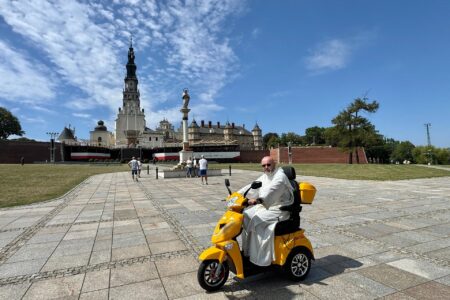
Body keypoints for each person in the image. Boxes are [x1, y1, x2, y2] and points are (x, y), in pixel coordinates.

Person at [239, 156, 294, 267]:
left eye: (268, 164)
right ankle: (248, 250)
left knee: (256, 220)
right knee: (244, 216)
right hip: (266, 206)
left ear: (274, 163)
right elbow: (252, 186)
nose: (266, 167)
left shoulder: (280, 177)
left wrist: (259, 199)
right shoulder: (265, 176)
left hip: (280, 209)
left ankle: (259, 258)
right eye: (263, 165)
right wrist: (238, 195)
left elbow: (272, 190)